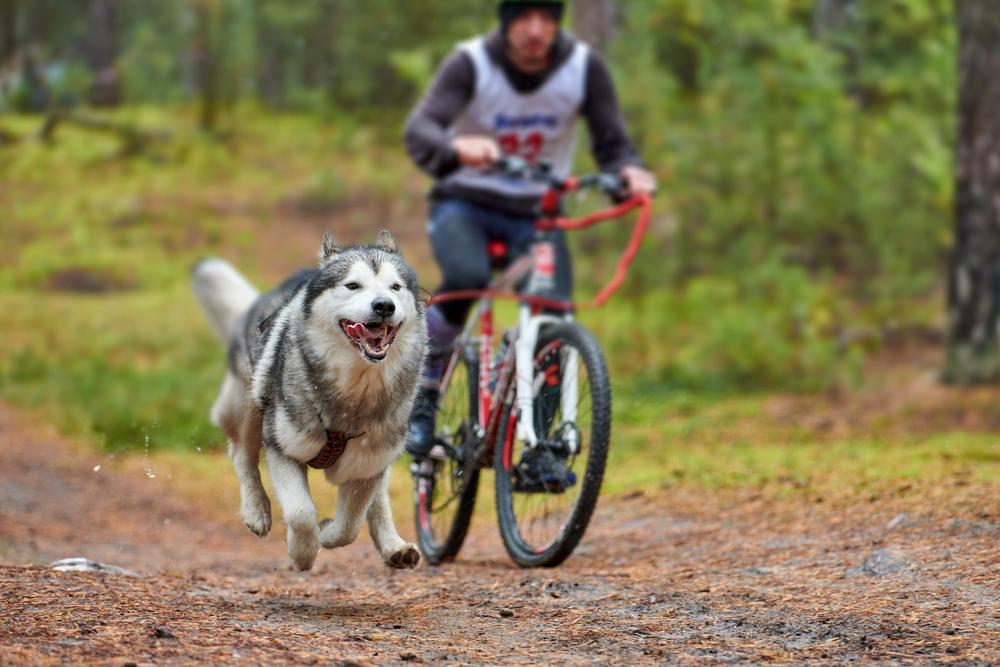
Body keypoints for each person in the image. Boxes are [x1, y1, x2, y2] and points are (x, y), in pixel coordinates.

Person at [403, 0, 656, 458]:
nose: (536, 30)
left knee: (554, 316)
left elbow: (613, 142)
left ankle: (541, 449)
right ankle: (421, 391)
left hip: (536, 215)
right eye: (524, 17)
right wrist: (455, 147)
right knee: (465, 280)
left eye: (546, 18)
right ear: (506, 22)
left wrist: (629, 173)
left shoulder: (582, 68)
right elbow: (421, 130)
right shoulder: (471, 64)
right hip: (464, 204)